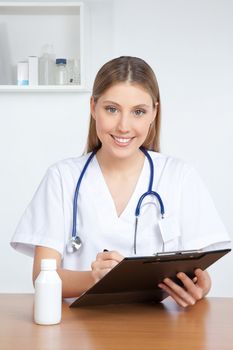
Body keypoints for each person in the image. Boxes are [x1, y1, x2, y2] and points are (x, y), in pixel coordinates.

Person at [11, 56, 230, 308]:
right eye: (112, 109)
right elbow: (41, 275)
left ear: (154, 113)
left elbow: (199, 270)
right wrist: (95, 279)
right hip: (77, 333)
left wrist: (201, 286)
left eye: (138, 111)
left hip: (158, 332)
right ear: (93, 107)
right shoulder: (62, 178)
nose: (124, 126)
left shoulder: (180, 176)